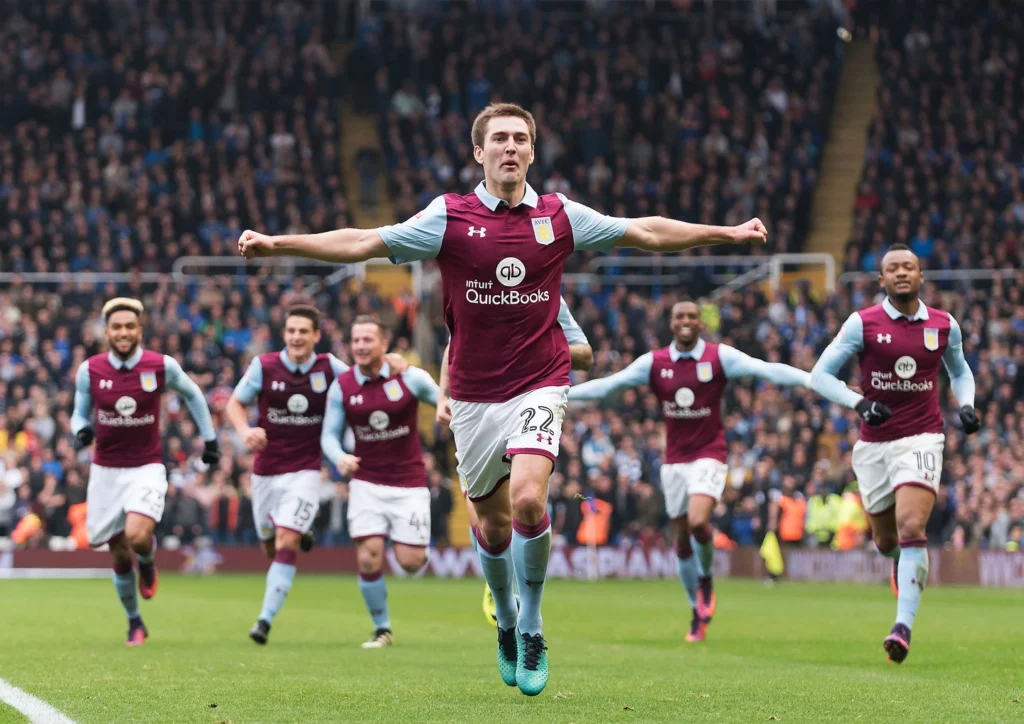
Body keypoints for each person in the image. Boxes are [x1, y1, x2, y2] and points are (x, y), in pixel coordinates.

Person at [238, 101, 767, 695]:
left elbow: (645, 231)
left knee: (529, 501)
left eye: (520, 138)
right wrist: (278, 244)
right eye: (499, 139)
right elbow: (363, 241)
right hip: (472, 396)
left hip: (540, 381)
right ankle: (508, 622)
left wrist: (725, 233)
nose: (510, 147)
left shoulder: (559, 214)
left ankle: (534, 626)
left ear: (532, 152)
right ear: (479, 152)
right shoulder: (448, 217)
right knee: (490, 530)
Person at [567, 298, 811, 642]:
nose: (685, 320)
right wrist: (562, 394)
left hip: (709, 454)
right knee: (681, 537)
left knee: (698, 521)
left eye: (692, 316)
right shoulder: (655, 362)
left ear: (700, 323)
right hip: (674, 462)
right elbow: (610, 385)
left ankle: (706, 578)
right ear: (671, 323)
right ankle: (696, 611)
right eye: (680, 315)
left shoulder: (718, 356)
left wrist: (812, 380)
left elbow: (765, 369)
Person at [810, 243, 979, 664]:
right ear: (881, 279)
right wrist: (859, 403)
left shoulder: (943, 324)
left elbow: (959, 370)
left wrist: (966, 403)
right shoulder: (862, 323)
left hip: (922, 438)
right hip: (873, 446)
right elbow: (819, 376)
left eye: (909, 267)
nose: (902, 273)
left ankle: (902, 627)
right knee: (886, 540)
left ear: (921, 276)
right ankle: (898, 562)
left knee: (911, 525)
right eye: (893, 268)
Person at [226, 303, 410, 645]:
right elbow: (234, 403)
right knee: (270, 546)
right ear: (284, 334)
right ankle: (300, 528)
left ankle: (264, 621)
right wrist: (244, 431)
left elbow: (364, 376)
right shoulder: (264, 366)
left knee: (286, 540)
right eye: (291, 331)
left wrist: (393, 362)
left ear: (315, 336)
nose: (296, 337)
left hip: (306, 471)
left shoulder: (330, 367)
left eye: (302, 332)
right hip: (265, 471)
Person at [434, 297, 593, 627]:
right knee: (486, 521)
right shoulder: (474, 283)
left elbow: (585, 355)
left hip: (528, 404)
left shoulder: (545, 289)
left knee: (526, 499)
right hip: (476, 410)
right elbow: (456, 342)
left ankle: (529, 618)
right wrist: (442, 395)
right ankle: (499, 592)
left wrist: (531, 348)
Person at [70, 298, 219, 646]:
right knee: (119, 551)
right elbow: (78, 413)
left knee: (137, 537)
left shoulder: (160, 365)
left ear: (140, 330)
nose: (123, 332)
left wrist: (210, 438)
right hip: (106, 472)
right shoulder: (90, 370)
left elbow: (193, 394)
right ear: (107, 332)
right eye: (117, 327)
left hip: (146, 467)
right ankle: (135, 622)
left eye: (129, 326)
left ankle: (148, 561)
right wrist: (82, 431)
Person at [321, 315, 439, 648]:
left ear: (384, 344)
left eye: (367, 340)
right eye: (355, 340)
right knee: (368, 557)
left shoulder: (411, 378)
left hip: (409, 482)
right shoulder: (342, 386)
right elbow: (328, 435)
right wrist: (339, 456)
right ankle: (382, 628)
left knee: (411, 563)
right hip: (366, 482)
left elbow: (445, 404)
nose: (360, 346)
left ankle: (412, 543)